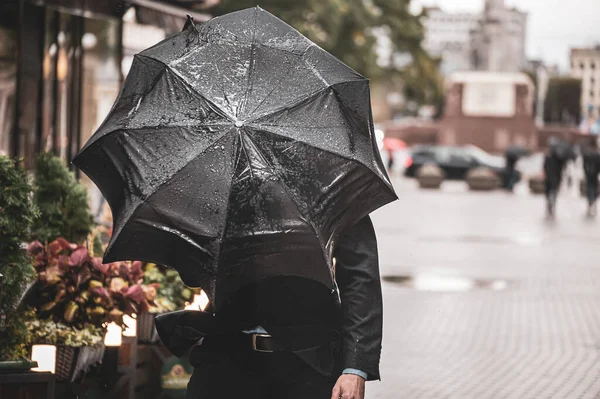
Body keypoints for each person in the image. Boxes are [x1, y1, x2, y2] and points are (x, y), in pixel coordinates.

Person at [156, 216, 382, 399]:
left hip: (309, 363)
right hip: (226, 355)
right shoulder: (221, 177)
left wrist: (354, 369)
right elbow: (192, 273)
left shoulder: (333, 180)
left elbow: (359, 278)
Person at [543, 138, 570, 217]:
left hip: (549, 175)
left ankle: (550, 202)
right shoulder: (560, 156)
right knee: (554, 190)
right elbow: (563, 166)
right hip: (556, 176)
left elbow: (545, 165)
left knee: (548, 190)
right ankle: (552, 202)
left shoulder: (548, 154)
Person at [582, 138, 600, 216]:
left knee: (589, 188)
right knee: (594, 188)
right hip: (594, 174)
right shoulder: (597, 155)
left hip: (589, 174)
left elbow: (584, 165)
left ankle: (590, 203)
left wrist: (586, 172)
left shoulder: (587, 154)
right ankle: (593, 202)